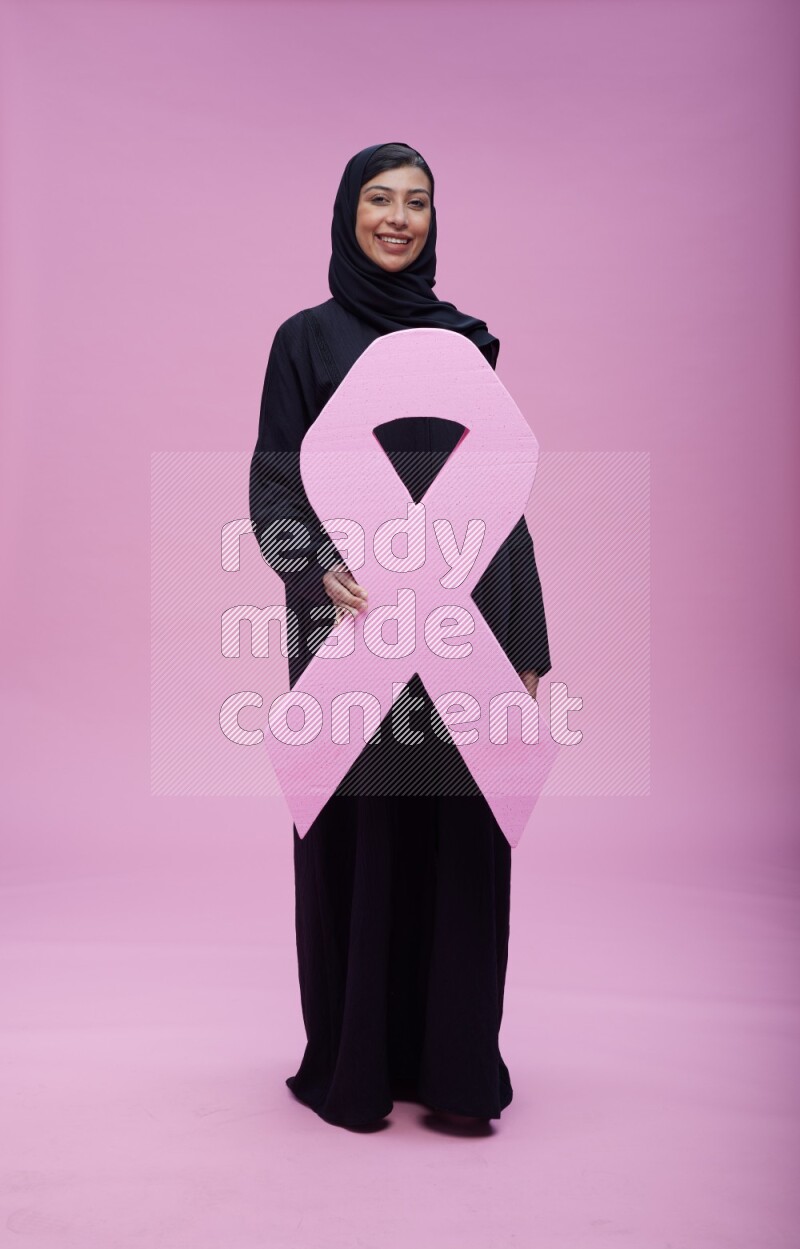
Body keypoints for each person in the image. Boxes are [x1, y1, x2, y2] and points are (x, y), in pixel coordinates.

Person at [249, 142, 551, 1130]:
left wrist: (528, 636)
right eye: (377, 199)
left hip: (465, 627)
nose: (396, 217)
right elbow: (274, 480)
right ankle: (355, 1063)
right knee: (360, 843)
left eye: (415, 202)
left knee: (462, 841)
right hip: (356, 630)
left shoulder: (465, 342)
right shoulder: (304, 340)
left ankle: (456, 1064)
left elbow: (502, 499)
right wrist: (312, 564)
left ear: (433, 219)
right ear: (346, 213)